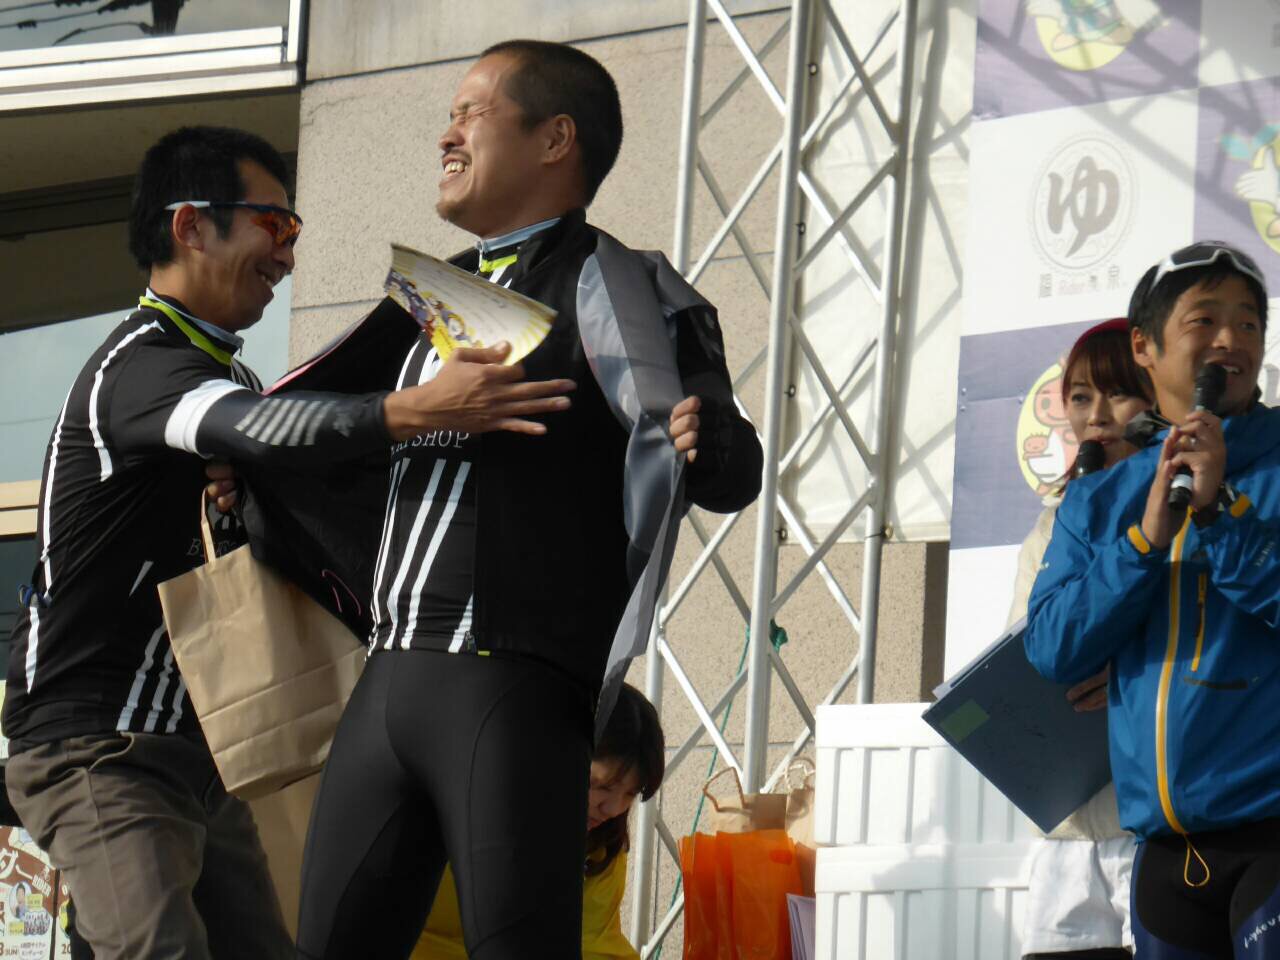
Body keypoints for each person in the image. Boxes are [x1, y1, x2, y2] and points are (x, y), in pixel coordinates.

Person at [1, 125, 574, 960]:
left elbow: (255, 441)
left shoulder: (217, 372)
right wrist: (412, 409)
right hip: (98, 746)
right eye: (274, 225)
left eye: (293, 230)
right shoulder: (141, 366)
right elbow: (256, 426)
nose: (288, 255)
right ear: (190, 226)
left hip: (200, 752)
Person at [294, 40, 762, 960]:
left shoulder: (625, 284)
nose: (447, 135)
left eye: (471, 113)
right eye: (449, 117)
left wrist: (709, 443)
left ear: (555, 140)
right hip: (386, 674)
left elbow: (732, 463)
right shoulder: (430, 294)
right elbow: (322, 429)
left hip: (508, 683)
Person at [1024, 241, 1280, 958]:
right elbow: (1052, 649)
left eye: (1250, 323)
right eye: (1205, 320)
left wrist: (1222, 514)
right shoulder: (1099, 499)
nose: (1231, 340)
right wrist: (1142, 541)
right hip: (1162, 853)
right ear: (1145, 346)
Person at [1009, 319, 1149, 959]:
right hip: (1065, 824)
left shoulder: (1185, 507)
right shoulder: (1048, 528)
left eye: (1119, 393)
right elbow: (1017, 651)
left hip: (1159, 818)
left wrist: (1126, 671)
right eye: (1082, 397)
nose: (1097, 415)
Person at [412, 682, 664, 960]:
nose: (613, 808)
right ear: (552, 757)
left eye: (630, 793)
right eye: (601, 786)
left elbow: (594, 944)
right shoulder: (451, 807)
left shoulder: (602, 842)